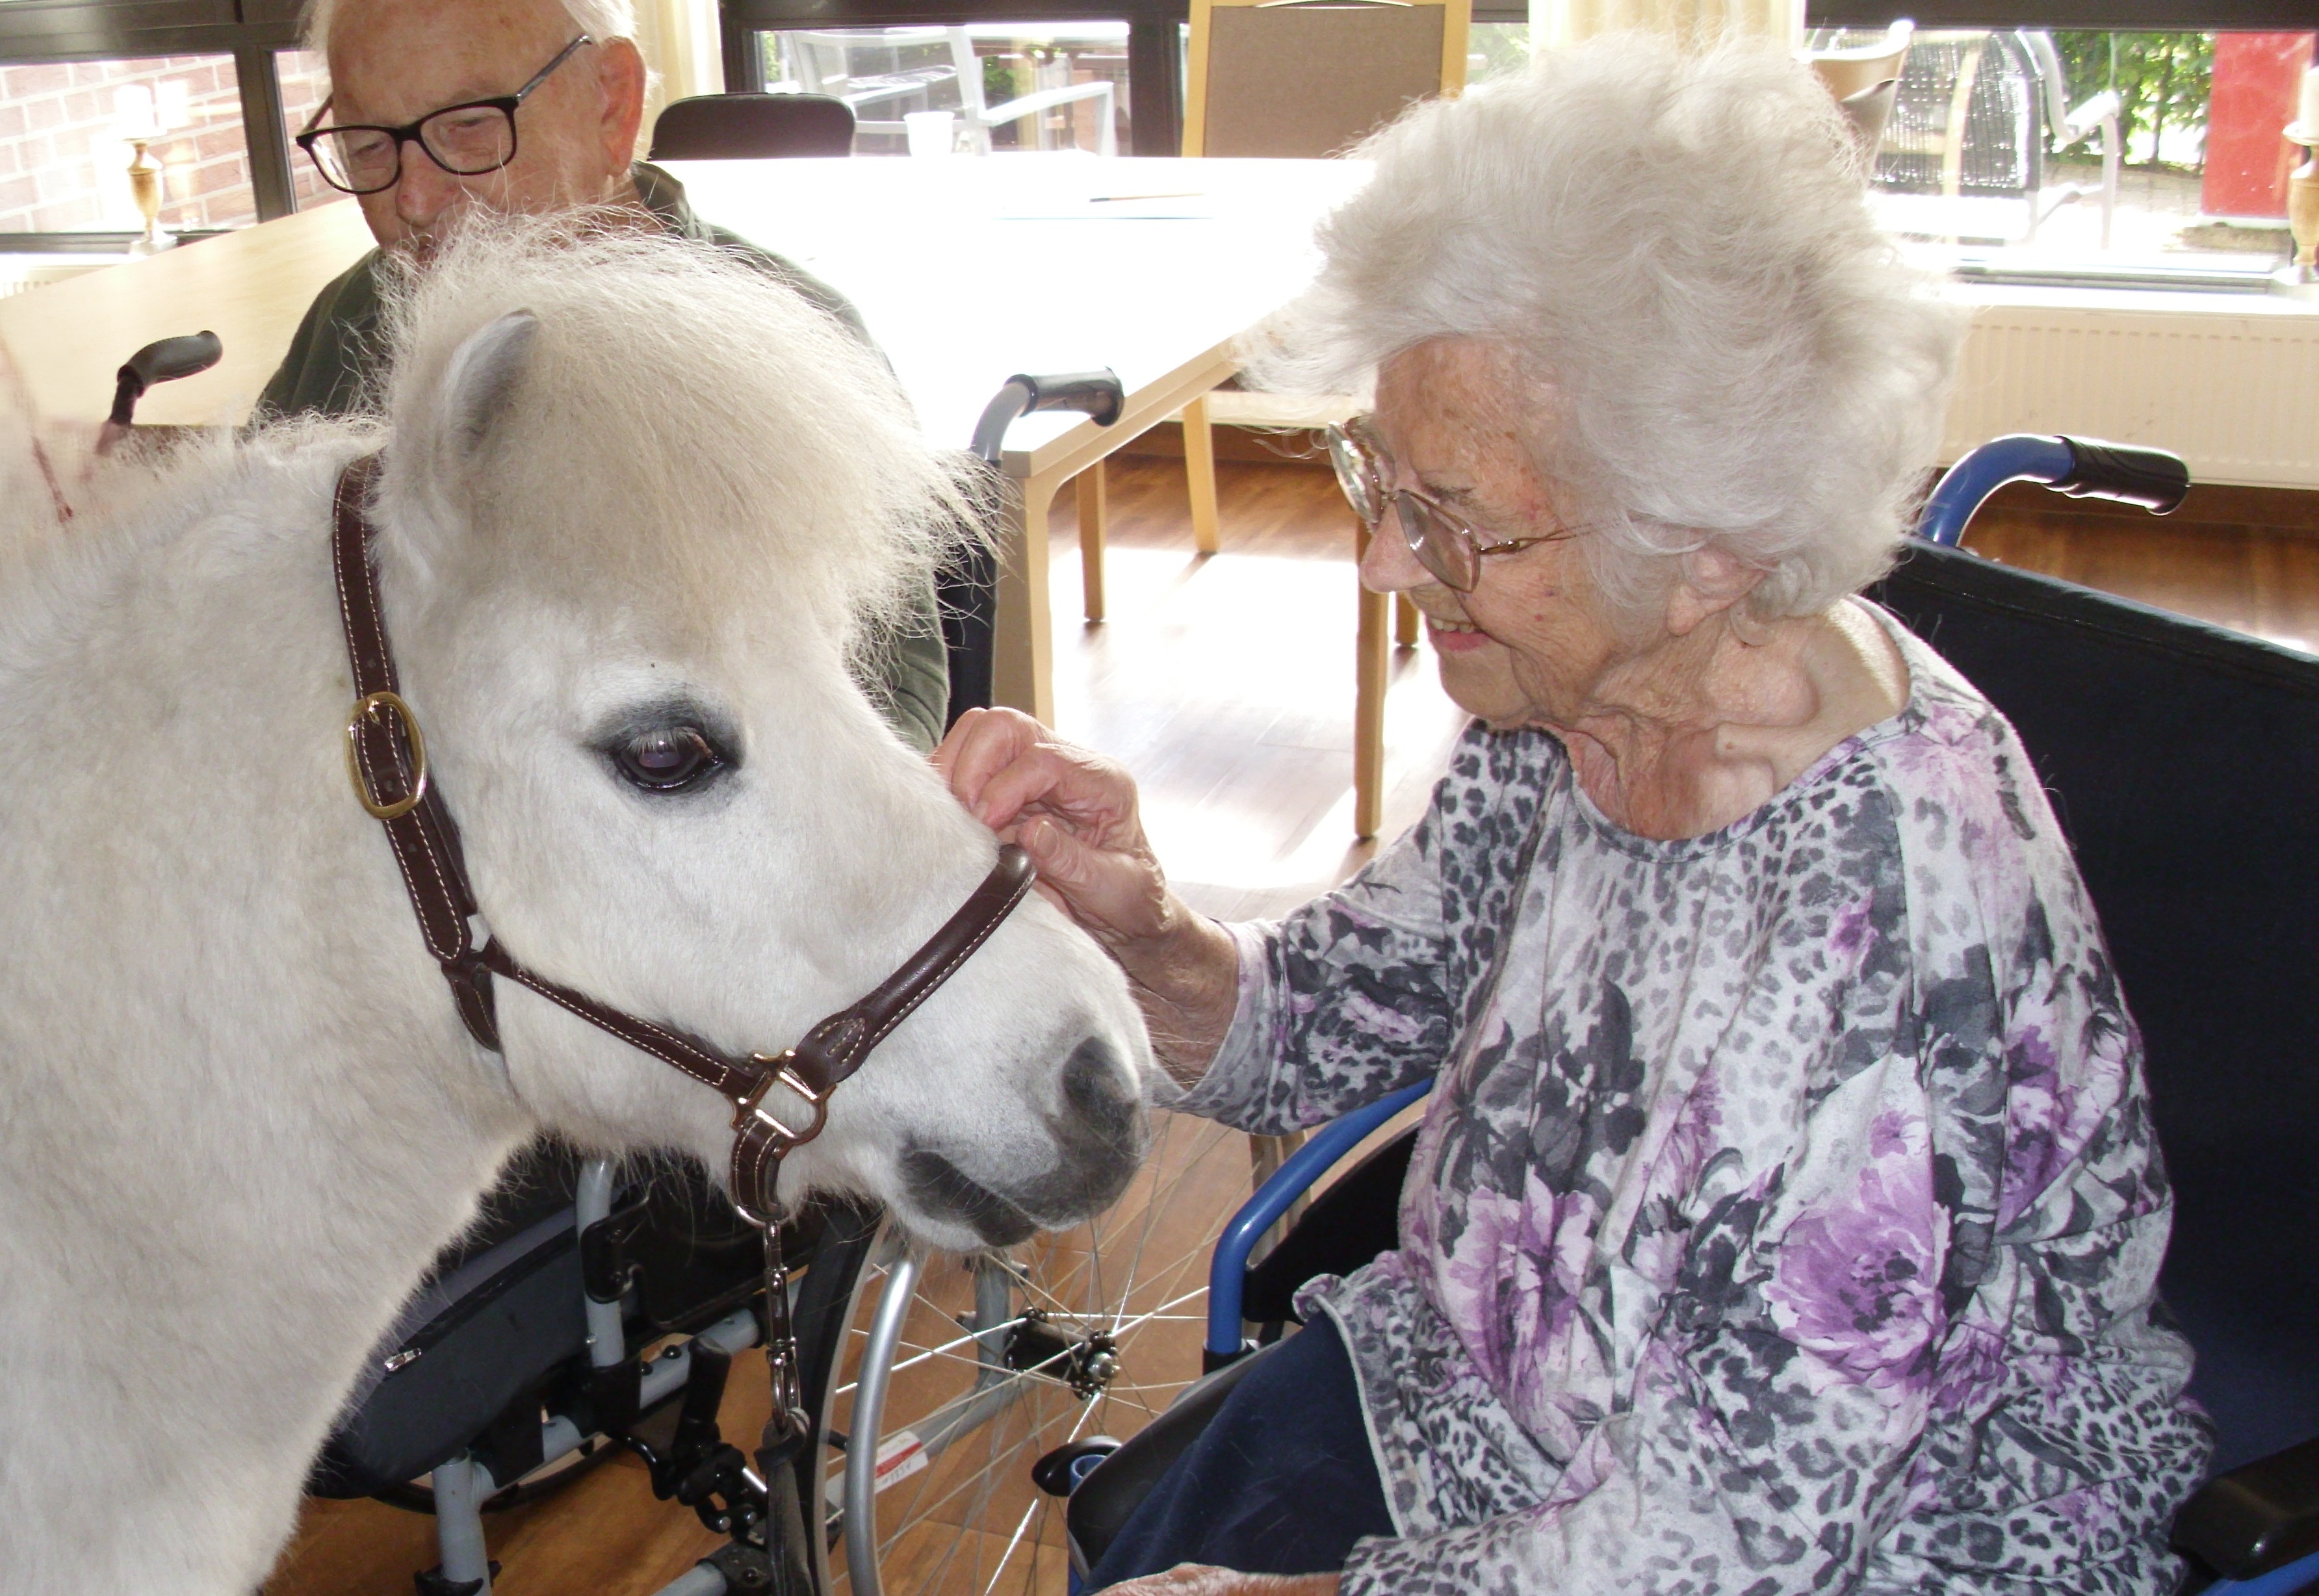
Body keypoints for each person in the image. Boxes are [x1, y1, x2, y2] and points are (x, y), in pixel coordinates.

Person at [936, 35, 2212, 1596]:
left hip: (1864, 1539)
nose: (1383, 565)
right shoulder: (1568, 699)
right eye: (1378, 478)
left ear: (1699, 546)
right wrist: (1140, 922)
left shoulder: (1878, 928)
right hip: (1467, 1389)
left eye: (1453, 520)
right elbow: (1334, 1015)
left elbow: (1731, 1543)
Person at [261, 0, 949, 750]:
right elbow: (264, 614)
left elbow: (892, 685)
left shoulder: (779, 351)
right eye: (367, 146)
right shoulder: (353, 324)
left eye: (469, 127)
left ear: (612, 102)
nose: (413, 201)